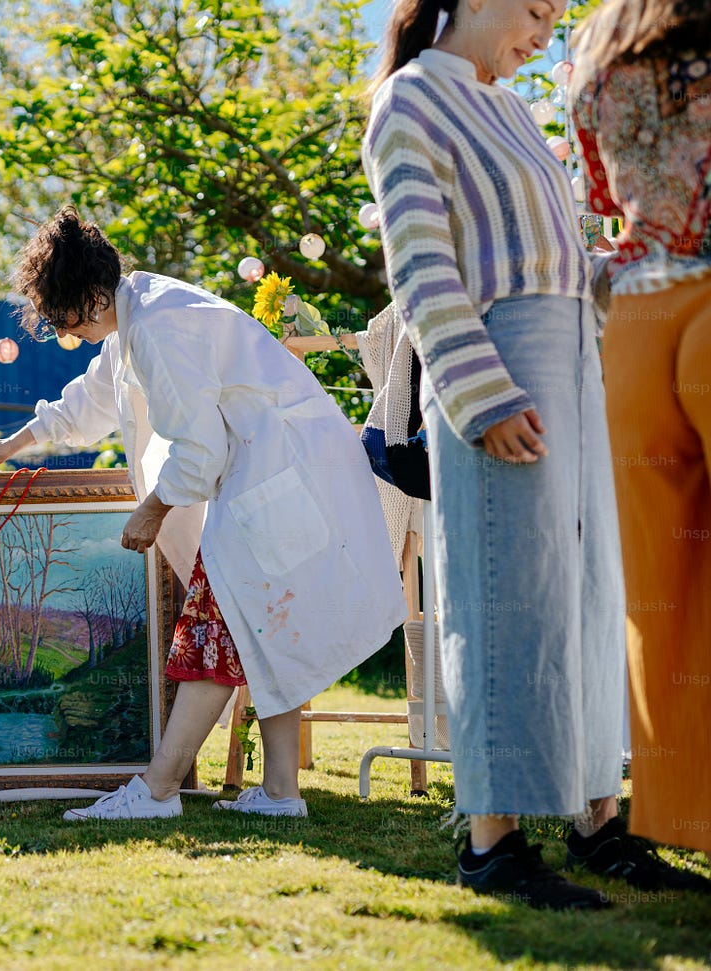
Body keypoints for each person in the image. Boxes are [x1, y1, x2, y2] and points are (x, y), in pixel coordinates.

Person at [365, 0, 703, 912]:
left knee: (588, 593)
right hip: (501, 374)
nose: (545, 30)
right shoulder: (410, 103)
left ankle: (598, 820)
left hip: (573, 368)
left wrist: (624, 266)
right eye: (534, 9)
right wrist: (481, 392)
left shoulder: (513, 112)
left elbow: (553, 264)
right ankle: (493, 843)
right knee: (508, 595)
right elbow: (422, 262)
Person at [0, 206, 405, 821]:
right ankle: (280, 793)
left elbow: (200, 449)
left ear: (90, 297)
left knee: (212, 626)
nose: (64, 331)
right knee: (264, 627)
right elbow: (88, 401)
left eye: (63, 317)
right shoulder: (137, 317)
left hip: (281, 474)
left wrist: (152, 510)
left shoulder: (161, 328)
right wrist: (9, 446)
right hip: (270, 475)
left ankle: (159, 790)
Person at [571, 0, 711, 870]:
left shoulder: (599, 44)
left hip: (637, 320)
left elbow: (596, 192)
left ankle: (688, 813)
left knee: (661, 597)